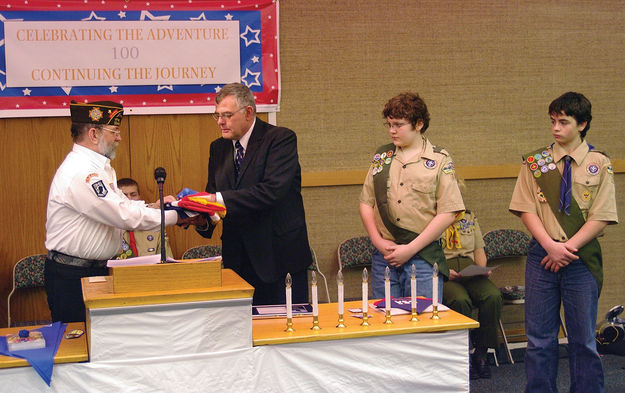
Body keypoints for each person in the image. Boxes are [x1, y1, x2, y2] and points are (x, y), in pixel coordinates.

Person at [509, 92, 618, 392]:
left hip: (580, 258)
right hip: (542, 255)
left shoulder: (599, 163)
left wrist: (566, 248)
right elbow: (525, 208)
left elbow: (602, 215)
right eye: (553, 121)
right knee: (539, 339)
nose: (556, 128)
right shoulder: (536, 162)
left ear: (582, 124)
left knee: (582, 340)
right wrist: (551, 246)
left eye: (564, 122)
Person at [45, 100, 191, 323]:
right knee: (80, 347)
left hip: (95, 272)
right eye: (114, 131)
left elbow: (123, 205)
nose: (119, 138)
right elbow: (124, 216)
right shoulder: (81, 173)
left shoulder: (99, 168)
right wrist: (179, 215)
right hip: (72, 278)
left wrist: (156, 207)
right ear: (94, 134)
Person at [194, 83, 312, 305]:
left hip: (278, 259)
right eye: (217, 115)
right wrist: (194, 212)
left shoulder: (280, 139)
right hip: (237, 261)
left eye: (227, 115)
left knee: (283, 330)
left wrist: (214, 200)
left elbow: (270, 192)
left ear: (248, 112)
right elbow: (214, 194)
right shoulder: (218, 148)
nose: (220, 122)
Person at [359, 92, 465, 302]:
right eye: (388, 124)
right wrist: (377, 241)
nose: (392, 131)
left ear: (419, 124)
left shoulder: (439, 159)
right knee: (386, 323)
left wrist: (410, 249)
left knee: (423, 324)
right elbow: (365, 202)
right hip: (385, 254)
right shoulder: (383, 157)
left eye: (398, 125)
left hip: (423, 256)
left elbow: (448, 212)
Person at [442, 181, 502, 380]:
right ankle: (463, 356)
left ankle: (481, 354)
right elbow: (424, 251)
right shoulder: (430, 218)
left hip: (469, 269)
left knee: (492, 296)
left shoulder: (468, 217)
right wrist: (443, 271)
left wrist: (482, 269)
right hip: (444, 272)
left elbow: (478, 249)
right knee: (460, 301)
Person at [116, 177, 173, 259]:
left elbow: (167, 260)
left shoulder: (154, 226)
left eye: (133, 195)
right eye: (124, 196)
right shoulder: (109, 228)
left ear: (139, 197)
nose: (129, 199)